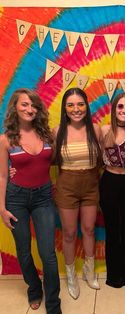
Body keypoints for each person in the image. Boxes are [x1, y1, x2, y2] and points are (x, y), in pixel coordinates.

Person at [0, 88, 61, 313]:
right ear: (15, 107)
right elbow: (3, 174)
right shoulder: (6, 140)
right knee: (24, 251)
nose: (30, 109)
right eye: (25, 104)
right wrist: (2, 208)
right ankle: (34, 289)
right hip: (16, 199)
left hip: (44, 197)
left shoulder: (48, 135)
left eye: (34, 105)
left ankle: (54, 305)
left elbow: (52, 162)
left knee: (48, 254)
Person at [53, 87, 103, 299]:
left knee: (89, 229)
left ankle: (89, 271)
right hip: (66, 187)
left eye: (80, 104)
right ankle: (71, 275)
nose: (76, 109)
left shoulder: (97, 129)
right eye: (71, 105)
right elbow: (44, 156)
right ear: (65, 109)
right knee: (70, 233)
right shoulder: (57, 131)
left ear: (86, 107)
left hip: (91, 185)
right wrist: (13, 168)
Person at [99, 92, 125, 288]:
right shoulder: (104, 130)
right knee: (112, 230)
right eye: (120, 107)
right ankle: (113, 276)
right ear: (114, 109)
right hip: (108, 182)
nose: (124, 111)